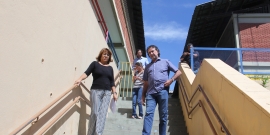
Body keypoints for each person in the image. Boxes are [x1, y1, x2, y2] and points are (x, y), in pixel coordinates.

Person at [74, 48, 118, 135]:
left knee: (102, 115)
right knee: (95, 113)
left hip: (107, 93)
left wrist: (114, 93)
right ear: (101, 55)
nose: (106, 56)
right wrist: (79, 79)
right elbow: (86, 73)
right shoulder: (95, 64)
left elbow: (112, 82)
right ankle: (90, 133)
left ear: (109, 57)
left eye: (108, 55)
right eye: (104, 54)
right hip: (96, 91)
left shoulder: (110, 68)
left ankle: (98, 133)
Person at [142, 45, 182, 135]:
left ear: (157, 51)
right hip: (150, 94)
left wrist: (171, 80)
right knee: (148, 114)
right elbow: (145, 83)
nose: (151, 54)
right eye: (149, 53)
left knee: (163, 116)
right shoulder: (148, 67)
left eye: (152, 51)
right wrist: (143, 96)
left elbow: (178, 72)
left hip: (163, 91)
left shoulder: (165, 62)